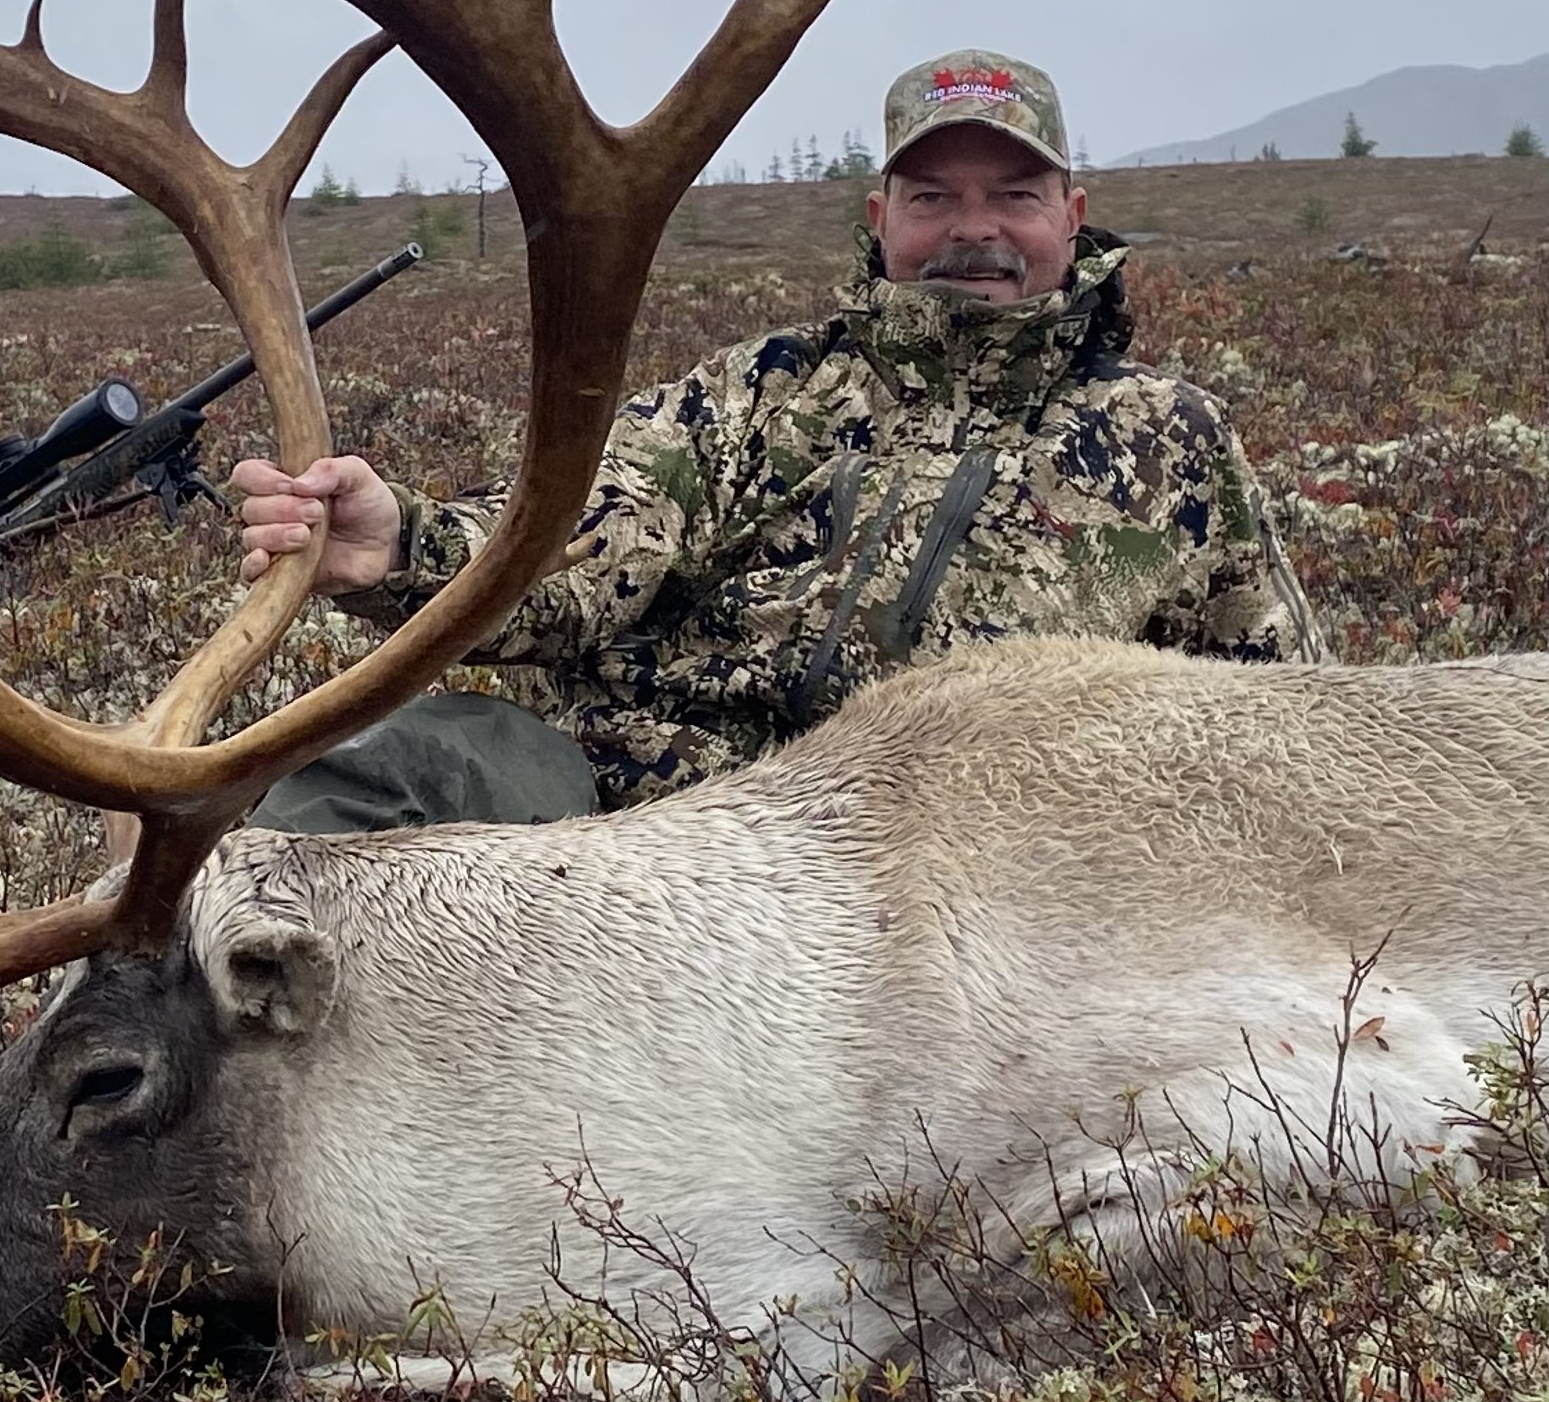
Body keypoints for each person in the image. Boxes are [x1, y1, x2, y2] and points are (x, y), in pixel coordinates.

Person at [235, 51, 1321, 831]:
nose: (973, 229)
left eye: (1015, 195)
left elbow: (1277, 722)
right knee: (372, 784)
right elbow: (585, 550)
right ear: (879, 214)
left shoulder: (1169, 446)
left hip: (948, 881)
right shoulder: (762, 391)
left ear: (1071, 214)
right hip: (647, 820)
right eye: (933, 194)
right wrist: (404, 545)